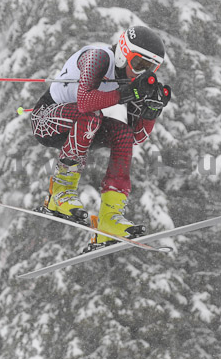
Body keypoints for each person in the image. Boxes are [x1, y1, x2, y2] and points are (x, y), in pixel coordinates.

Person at [31, 25, 171, 252]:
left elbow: (136, 137)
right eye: (138, 65)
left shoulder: (130, 81)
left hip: (83, 128)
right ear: (123, 52)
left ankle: (110, 217)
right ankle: (60, 193)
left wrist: (150, 114)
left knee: (123, 134)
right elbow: (85, 102)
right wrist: (129, 93)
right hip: (46, 119)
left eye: (150, 69)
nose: (140, 74)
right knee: (91, 118)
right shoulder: (98, 58)